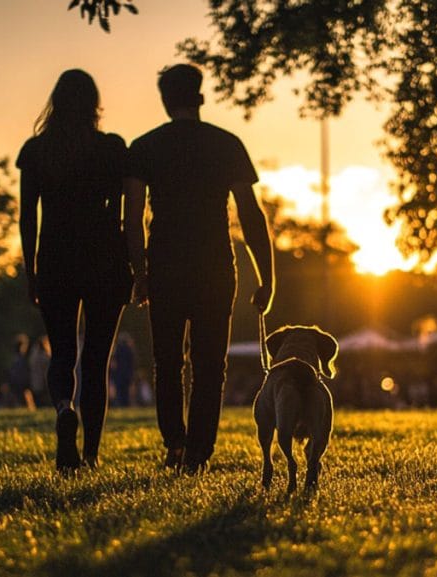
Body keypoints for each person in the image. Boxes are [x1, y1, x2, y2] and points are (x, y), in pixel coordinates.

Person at [125, 63, 274, 474]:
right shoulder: (226, 144)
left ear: (165, 100)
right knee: (211, 363)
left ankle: (175, 443)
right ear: (201, 97)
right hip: (214, 265)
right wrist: (267, 277)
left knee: (167, 361)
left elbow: (133, 215)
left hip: (166, 264)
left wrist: (139, 272)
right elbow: (250, 212)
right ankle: (198, 453)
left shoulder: (144, 147)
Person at [17, 69, 132, 471]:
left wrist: (31, 271)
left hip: (55, 258)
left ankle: (65, 407)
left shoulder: (36, 151)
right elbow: (121, 213)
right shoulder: (112, 148)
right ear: (93, 104)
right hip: (104, 258)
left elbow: (27, 217)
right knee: (97, 360)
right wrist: (132, 263)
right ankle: (91, 453)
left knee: (62, 352)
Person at [109, 332, 136, 407]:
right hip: (126, 374)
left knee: (119, 392)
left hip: (118, 374)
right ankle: (124, 405)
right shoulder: (129, 350)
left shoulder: (117, 349)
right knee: (125, 393)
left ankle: (120, 405)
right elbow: (131, 364)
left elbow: (113, 364)